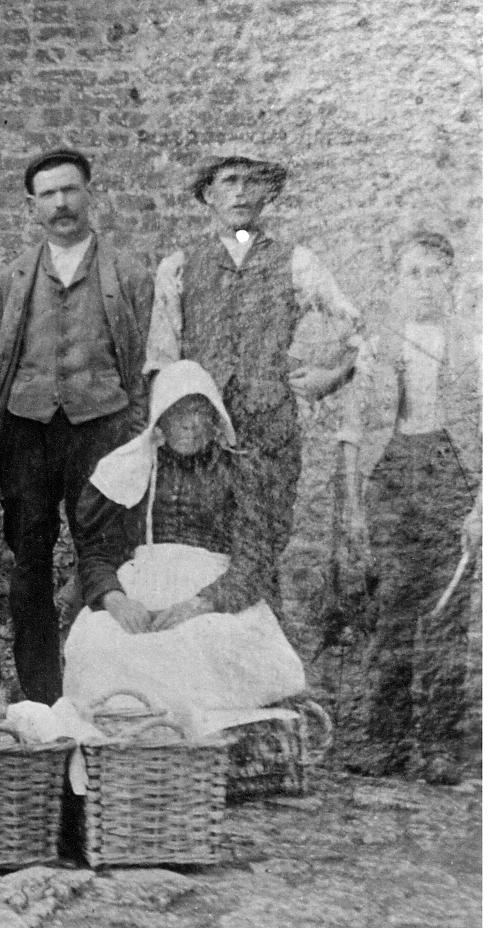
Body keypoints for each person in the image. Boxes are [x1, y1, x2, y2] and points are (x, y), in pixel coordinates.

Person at [147, 151, 363, 609]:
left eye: (252, 182)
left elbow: (356, 328)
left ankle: (267, 665)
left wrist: (332, 373)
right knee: (204, 552)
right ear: (208, 195)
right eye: (229, 181)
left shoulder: (296, 261)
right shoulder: (181, 266)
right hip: (201, 440)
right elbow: (162, 362)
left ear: (268, 194)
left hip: (269, 435)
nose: (241, 192)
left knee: (263, 551)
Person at [0, 148, 153, 705]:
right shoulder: (12, 277)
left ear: (90, 194)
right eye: (49, 194)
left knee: (102, 555)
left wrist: (134, 427)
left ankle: (96, 687)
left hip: (99, 428)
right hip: (27, 430)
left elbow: (144, 360)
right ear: (31, 206)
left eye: (71, 190)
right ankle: (41, 696)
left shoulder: (127, 274)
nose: (61, 203)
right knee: (29, 560)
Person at [65, 359, 305, 736]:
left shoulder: (239, 473)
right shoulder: (132, 468)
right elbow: (97, 551)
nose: (191, 422)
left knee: (196, 642)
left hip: (214, 593)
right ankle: (126, 741)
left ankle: (191, 744)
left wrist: (201, 603)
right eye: (179, 412)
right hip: (140, 585)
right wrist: (115, 600)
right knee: (98, 639)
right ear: (160, 420)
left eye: (199, 411)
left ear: (215, 419)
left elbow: (253, 560)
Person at [340, 231, 479, 782]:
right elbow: (353, 433)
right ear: (398, 281)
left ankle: (440, 746)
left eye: (435, 272)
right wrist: (353, 508)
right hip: (393, 474)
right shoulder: (378, 346)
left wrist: (479, 510)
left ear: (451, 277)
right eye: (413, 273)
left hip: (453, 474)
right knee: (391, 607)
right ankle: (384, 741)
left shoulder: (474, 345)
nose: (425, 284)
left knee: (447, 612)